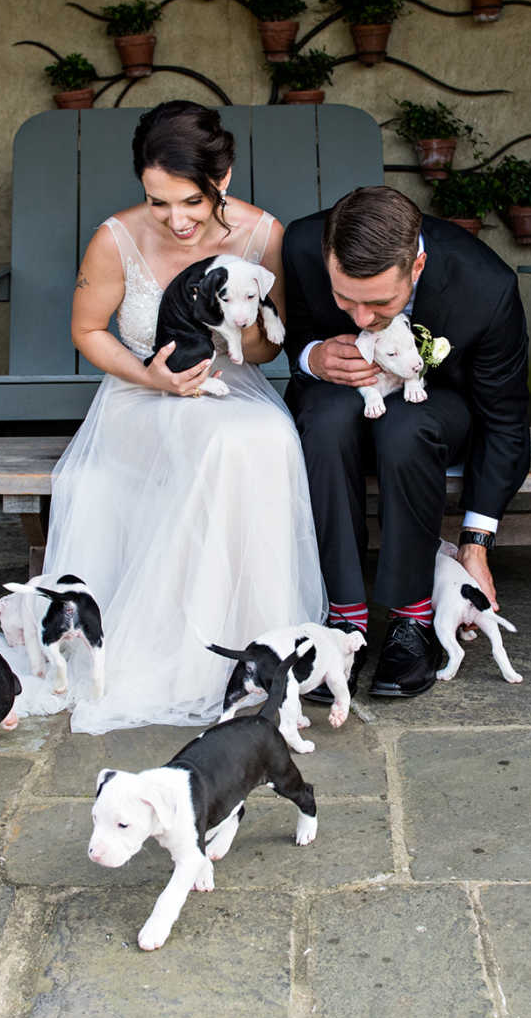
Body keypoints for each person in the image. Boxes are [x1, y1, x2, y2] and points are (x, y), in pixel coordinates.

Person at [43, 101, 326, 733]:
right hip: (140, 400)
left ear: (222, 180)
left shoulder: (262, 235)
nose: (175, 220)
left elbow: (269, 346)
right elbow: (88, 331)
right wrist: (152, 375)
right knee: (227, 444)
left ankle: (253, 644)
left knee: (265, 436)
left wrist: (235, 332)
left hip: (232, 389)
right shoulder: (116, 238)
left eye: (192, 202)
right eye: (158, 202)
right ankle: (184, 652)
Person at [283, 185, 530, 700]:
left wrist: (476, 544)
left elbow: (504, 421)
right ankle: (342, 616)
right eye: (343, 298)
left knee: (406, 428)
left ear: (416, 268)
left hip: (438, 409)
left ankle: (412, 615)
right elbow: (297, 338)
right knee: (325, 421)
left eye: (377, 302)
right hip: (342, 401)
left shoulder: (486, 285)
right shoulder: (303, 243)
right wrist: (313, 357)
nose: (359, 318)